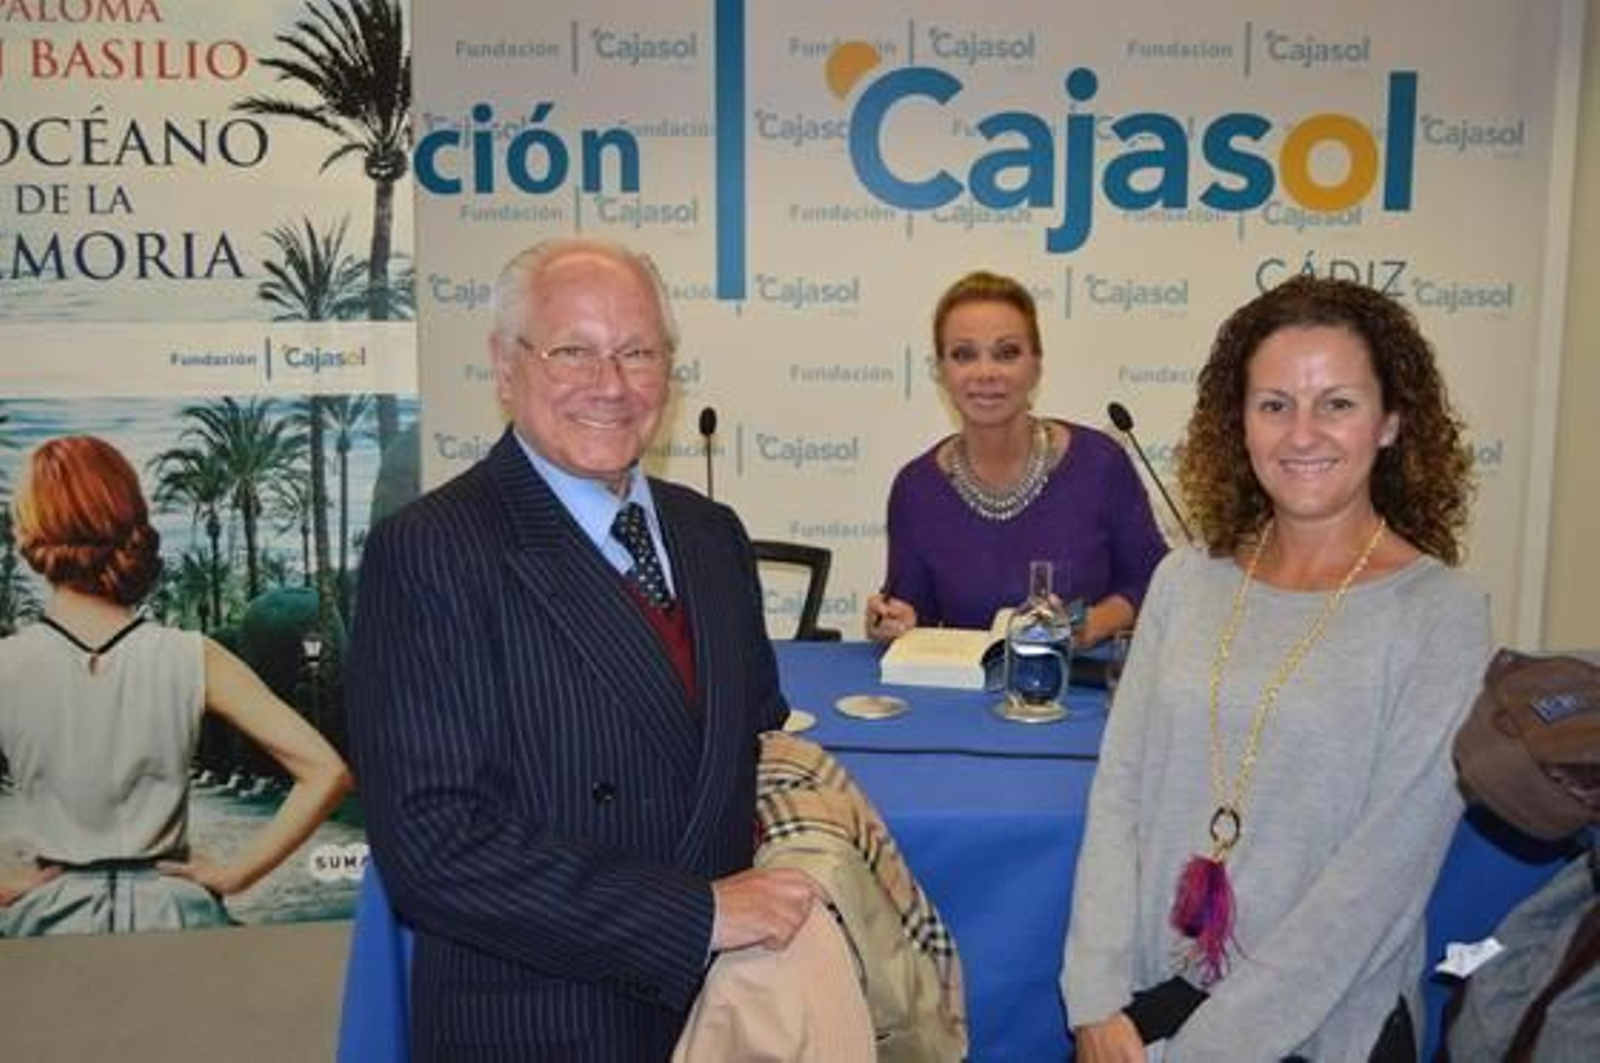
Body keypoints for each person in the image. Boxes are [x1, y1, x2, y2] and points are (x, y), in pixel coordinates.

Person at [346, 237, 818, 1060]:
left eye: (637, 352)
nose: (610, 384)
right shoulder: (431, 550)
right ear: (503, 364)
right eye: (573, 351)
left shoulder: (712, 535)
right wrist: (697, 915)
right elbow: (434, 846)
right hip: (545, 1022)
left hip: (730, 1015)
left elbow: (753, 745)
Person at [1062, 275, 1492, 1061]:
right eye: (1273, 404)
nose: (1302, 433)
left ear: (1392, 422)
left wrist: (1198, 1053)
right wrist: (1093, 1001)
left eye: (1337, 402)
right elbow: (1119, 790)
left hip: (1322, 1028)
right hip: (1139, 1015)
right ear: (1241, 422)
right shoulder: (1185, 581)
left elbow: (1374, 887)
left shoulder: (1441, 613)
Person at [0, 435, 351, 935]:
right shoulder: (193, 655)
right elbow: (327, 772)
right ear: (129, 520)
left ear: (30, 529)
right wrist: (235, 874)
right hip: (177, 918)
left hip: (46, 924)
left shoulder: (7, 664)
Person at [865, 270, 1167, 647]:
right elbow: (914, 615)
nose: (986, 373)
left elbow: (1152, 582)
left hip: (1085, 690)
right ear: (941, 371)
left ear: (1036, 366)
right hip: (966, 696)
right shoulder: (916, 489)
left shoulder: (1100, 463)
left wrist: (1090, 625)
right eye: (964, 355)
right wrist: (890, 623)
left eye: (1006, 353)